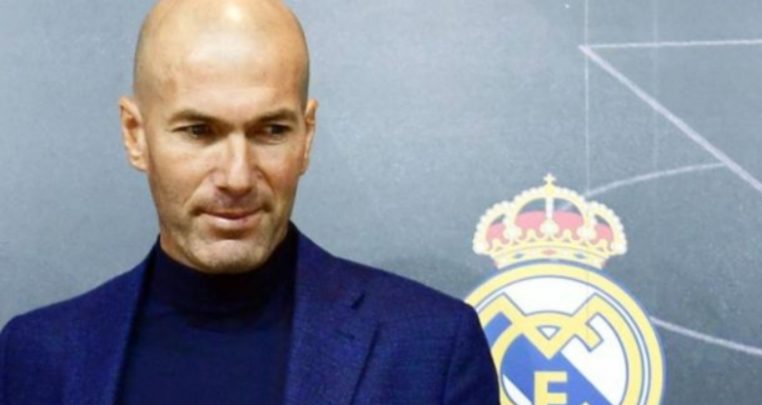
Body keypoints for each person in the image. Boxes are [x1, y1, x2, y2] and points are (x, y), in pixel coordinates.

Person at [0, 0, 498, 404]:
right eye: (199, 131)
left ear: (306, 137)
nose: (237, 177)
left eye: (271, 130)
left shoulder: (431, 347)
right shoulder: (37, 356)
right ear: (135, 135)